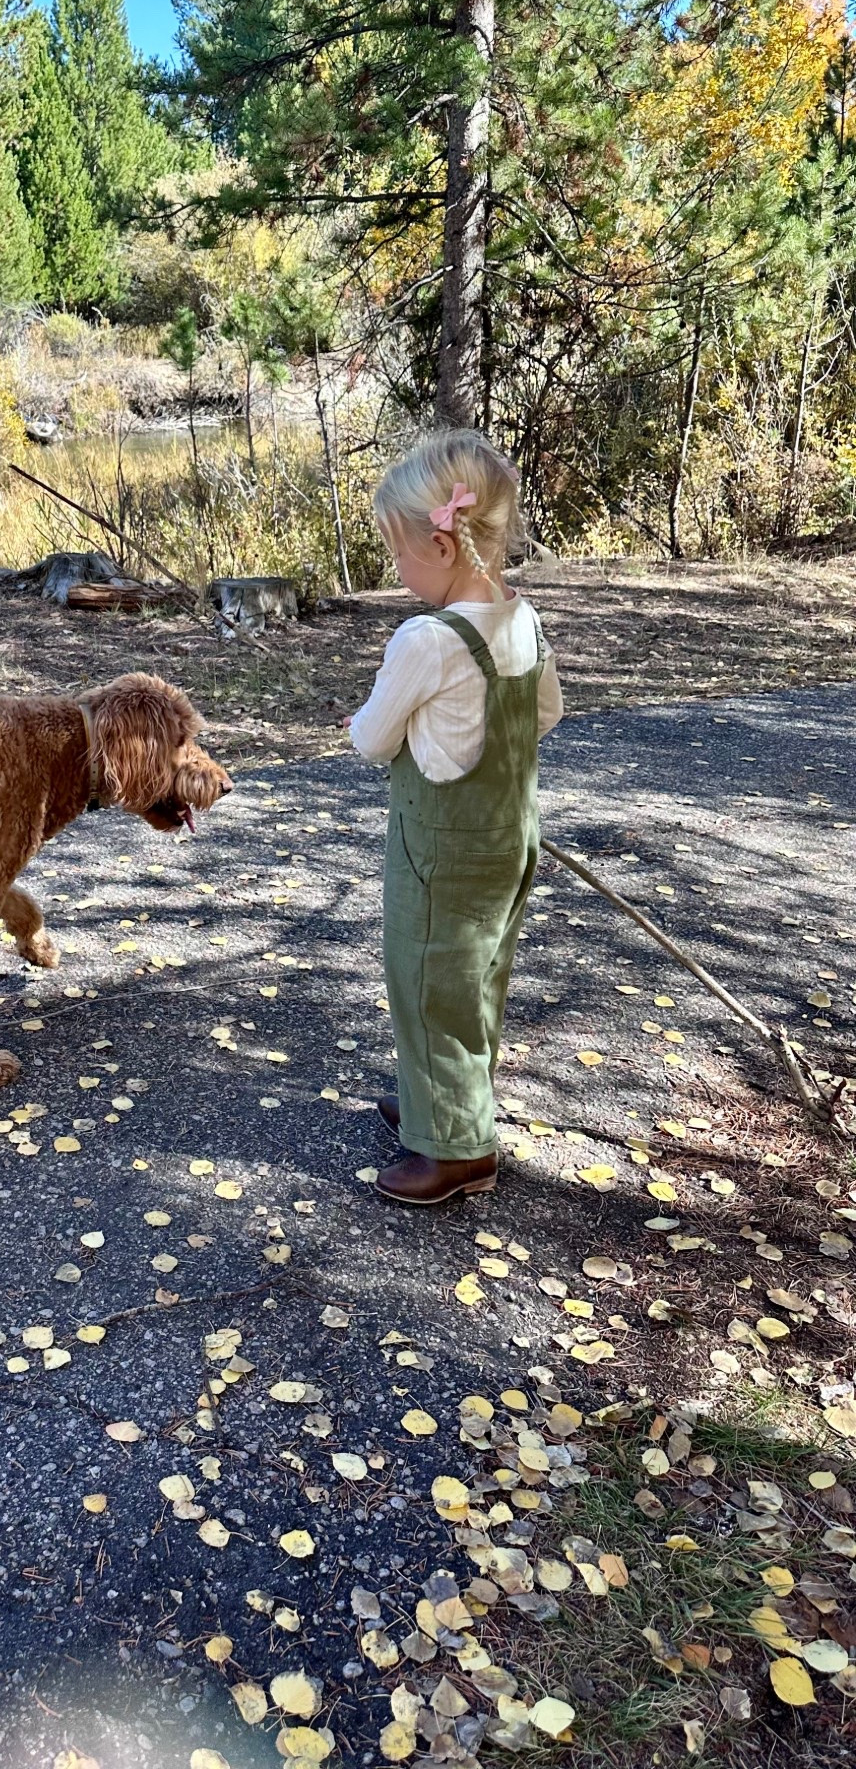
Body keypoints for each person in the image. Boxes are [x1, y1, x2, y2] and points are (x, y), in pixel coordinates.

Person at [346, 428, 564, 1205]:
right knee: (475, 979)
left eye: (397, 553)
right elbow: (544, 712)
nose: (397, 569)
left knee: (425, 982)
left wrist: (403, 726)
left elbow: (372, 739)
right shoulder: (521, 618)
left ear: (441, 545)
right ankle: (441, 1101)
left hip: (439, 848)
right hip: (510, 837)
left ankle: (457, 1151)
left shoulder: (427, 639)